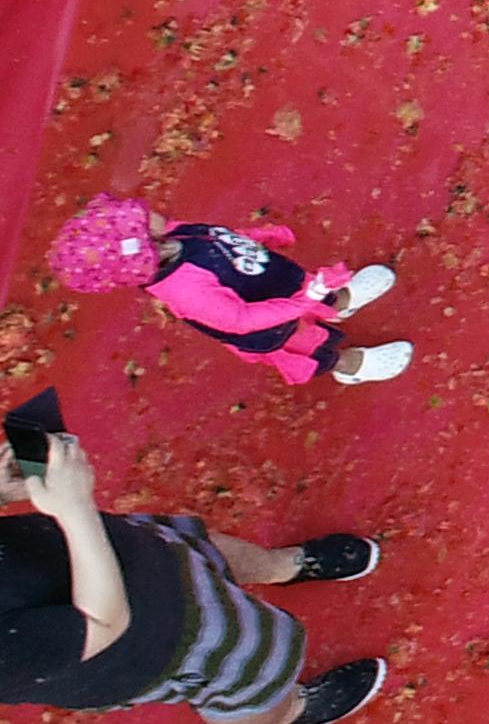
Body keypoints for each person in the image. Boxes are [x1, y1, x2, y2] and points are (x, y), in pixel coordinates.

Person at [0, 392, 399, 721]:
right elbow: (104, 623)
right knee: (247, 677)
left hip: (119, 549)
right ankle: (293, 711)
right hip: (151, 641)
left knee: (204, 552)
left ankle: (282, 567)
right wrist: (75, 509)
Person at [43, 198, 408, 390]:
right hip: (272, 329)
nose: (149, 210)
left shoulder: (174, 234)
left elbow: (218, 237)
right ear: (142, 252)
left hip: (277, 283)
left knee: (317, 292)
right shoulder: (185, 290)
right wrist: (300, 303)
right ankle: (349, 366)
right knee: (308, 349)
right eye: (141, 219)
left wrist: (257, 237)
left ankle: (339, 303)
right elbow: (240, 321)